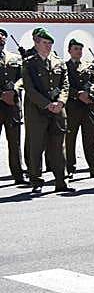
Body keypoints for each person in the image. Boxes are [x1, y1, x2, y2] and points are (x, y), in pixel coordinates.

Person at [20, 27, 72, 194]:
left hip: (57, 111)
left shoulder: (59, 62)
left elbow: (65, 85)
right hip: (37, 111)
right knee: (36, 146)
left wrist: (61, 102)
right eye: (45, 43)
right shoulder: (29, 63)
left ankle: (61, 181)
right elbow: (30, 89)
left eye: (50, 43)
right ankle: (36, 180)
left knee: (58, 147)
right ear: (36, 42)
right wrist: (47, 104)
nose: (48, 46)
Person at [64, 38, 94, 178]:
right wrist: (77, 94)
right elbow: (63, 86)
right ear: (69, 51)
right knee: (70, 139)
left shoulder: (89, 66)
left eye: (80, 49)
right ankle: (69, 168)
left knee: (90, 139)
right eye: (75, 49)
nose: (78, 52)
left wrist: (90, 92)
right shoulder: (64, 66)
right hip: (72, 107)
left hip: (89, 107)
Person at [0, 27, 27, 185]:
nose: (0, 38)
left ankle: (18, 174)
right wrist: (2, 95)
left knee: (15, 141)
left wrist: (14, 90)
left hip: (13, 106)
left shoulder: (15, 58)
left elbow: (23, 78)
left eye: (2, 36)